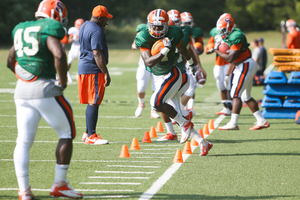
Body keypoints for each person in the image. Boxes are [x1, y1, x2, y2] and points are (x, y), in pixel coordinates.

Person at [6, 0, 83, 199]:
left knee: (23, 141)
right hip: (44, 89)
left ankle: (24, 192)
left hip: (21, 91)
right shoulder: (50, 28)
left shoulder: (21, 28)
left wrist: (25, 76)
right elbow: (58, 54)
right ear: (56, 15)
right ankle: (60, 184)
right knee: (66, 132)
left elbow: (10, 60)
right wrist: (63, 82)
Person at [135, 9, 212, 156]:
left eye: (160, 26)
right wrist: (164, 51)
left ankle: (185, 122)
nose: (157, 29)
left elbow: (183, 48)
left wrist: (191, 63)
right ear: (149, 24)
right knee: (176, 115)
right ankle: (203, 143)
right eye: (154, 26)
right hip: (159, 76)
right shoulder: (143, 36)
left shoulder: (173, 33)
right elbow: (149, 63)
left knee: (156, 102)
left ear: (166, 25)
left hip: (173, 74)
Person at [212, 14, 270, 130]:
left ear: (229, 27)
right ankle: (261, 120)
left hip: (245, 65)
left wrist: (216, 49)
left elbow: (230, 58)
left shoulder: (236, 35)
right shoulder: (231, 34)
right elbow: (234, 60)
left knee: (235, 94)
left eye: (223, 29)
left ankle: (233, 123)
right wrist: (228, 74)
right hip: (242, 64)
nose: (222, 32)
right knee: (245, 96)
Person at [158, 9, 199, 141]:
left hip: (177, 75)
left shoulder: (182, 33)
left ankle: (185, 117)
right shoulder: (164, 33)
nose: (174, 24)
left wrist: (195, 64)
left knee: (160, 102)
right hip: (168, 73)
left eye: (176, 22)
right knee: (164, 104)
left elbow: (188, 50)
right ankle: (198, 139)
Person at [78, 5, 112, 144]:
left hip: (84, 67)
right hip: (94, 69)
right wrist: (106, 73)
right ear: (99, 18)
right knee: (94, 102)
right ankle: (92, 135)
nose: (107, 22)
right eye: (105, 19)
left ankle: (87, 133)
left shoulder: (85, 25)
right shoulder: (97, 30)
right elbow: (97, 53)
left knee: (92, 101)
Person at [132, 24, 160, 119]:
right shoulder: (142, 36)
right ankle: (141, 104)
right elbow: (134, 46)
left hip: (157, 64)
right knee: (141, 87)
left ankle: (153, 109)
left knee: (155, 87)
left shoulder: (157, 35)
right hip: (143, 64)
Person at [205, 25, 232, 116]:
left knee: (228, 85)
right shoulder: (215, 32)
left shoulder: (234, 33)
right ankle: (225, 107)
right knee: (221, 85)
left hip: (228, 63)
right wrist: (213, 49)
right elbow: (207, 49)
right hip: (218, 63)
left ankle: (230, 106)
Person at [180, 12, 204, 110]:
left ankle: (189, 106)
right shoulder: (179, 31)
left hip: (191, 60)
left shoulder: (196, 31)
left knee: (192, 85)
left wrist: (199, 49)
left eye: (188, 22)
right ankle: (181, 107)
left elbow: (199, 47)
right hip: (181, 62)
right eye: (185, 23)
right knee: (182, 85)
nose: (187, 25)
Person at [66, 18, 84, 83]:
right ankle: (68, 76)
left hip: (81, 48)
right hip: (74, 48)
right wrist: (75, 38)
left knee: (81, 63)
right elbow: (68, 41)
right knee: (69, 63)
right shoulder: (73, 30)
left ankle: (78, 76)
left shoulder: (84, 30)